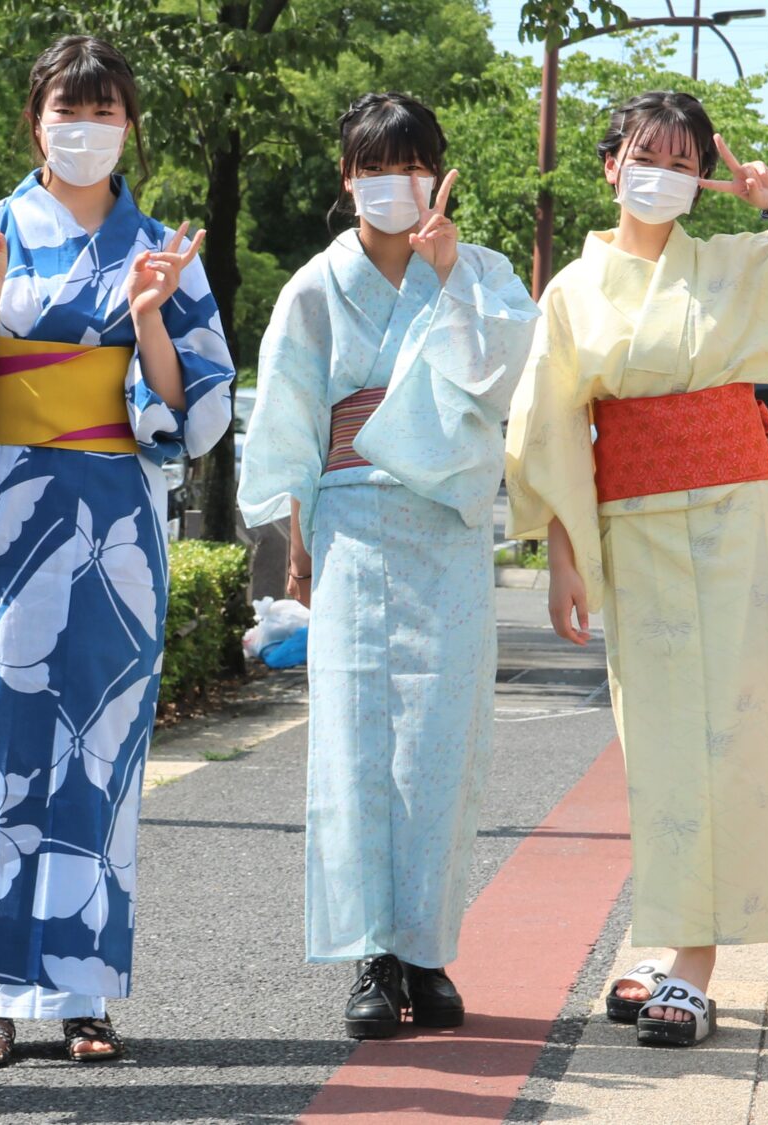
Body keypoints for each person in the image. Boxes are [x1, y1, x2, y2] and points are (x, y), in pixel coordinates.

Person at [504, 91, 768, 1047]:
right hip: (633, 523)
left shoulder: (741, 260)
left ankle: (694, 964)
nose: (665, 174)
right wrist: (564, 555)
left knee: (734, 733)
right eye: (647, 155)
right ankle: (667, 937)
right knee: (657, 741)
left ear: (701, 179)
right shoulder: (572, 290)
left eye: (684, 161)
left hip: (734, 519)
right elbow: (554, 428)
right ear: (610, 166)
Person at [0, 34, 234, 1067]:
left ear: (129, 123)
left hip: (112, 530)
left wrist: (147, 320)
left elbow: (200, 409)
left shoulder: (157, 254)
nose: (83, 126)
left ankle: (84, 992)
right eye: (65, 107)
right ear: (33, 120)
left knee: (102, 747)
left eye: (103, 108)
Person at [237, 92, 538, 1038]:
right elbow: (285, 424)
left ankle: (428, 948)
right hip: (356, 523)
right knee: (359, 745)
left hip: (445, 527)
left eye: (410, 166)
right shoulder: (315, 288)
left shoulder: (480, 272)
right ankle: (370, 950)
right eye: (374, 167)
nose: (393, 185)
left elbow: (505, 378)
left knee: (441, 747)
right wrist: (291, 549)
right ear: (347, 179)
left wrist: (451, 278)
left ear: (438, 175)